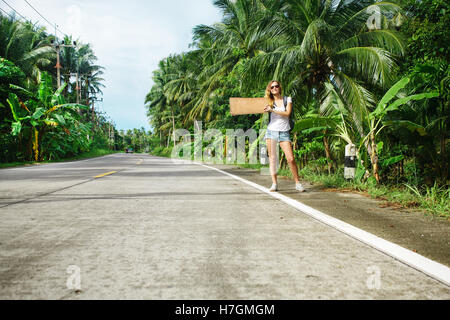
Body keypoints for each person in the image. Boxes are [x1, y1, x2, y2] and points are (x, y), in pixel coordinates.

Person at [263, 80, 305, 192]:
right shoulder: (268, 101)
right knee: (272, 159)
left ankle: (297, 183)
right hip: (271, 131)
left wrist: (273, 110)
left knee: (291, 159)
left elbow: (287, 113)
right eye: (272, 87)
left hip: (284, 132)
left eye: (276, 86)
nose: (275, 88)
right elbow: (253, 107)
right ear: (270, 90)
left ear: (279, 87)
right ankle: (274, 184)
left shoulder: (287, 99)